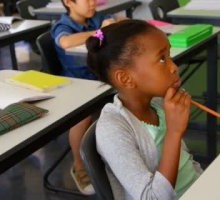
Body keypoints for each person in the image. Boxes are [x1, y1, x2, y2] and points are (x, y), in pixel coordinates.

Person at [86, 19, 203, 199]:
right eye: (162, 59)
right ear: (125, 79)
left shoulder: (158, 104)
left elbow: (185, 163)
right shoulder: (112, 128)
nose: (174, 67)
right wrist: (174, 131)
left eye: (169, 55)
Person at [50, 0, 125, 195]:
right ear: (68, 2)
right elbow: (65, 41)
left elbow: (115, 22)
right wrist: (100, 32)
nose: (93, 3)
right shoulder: (63, 25)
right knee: (81, 117)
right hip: (74, 84)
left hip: (98, 79)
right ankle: (79, 166)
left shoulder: (95, 18)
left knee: (130, 95)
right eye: (87, 0)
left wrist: (115, 23)